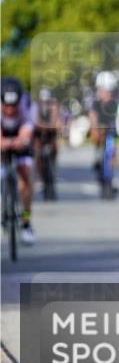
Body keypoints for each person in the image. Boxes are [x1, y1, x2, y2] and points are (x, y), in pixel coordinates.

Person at [1, 77, 37, 244]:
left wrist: (20, 141)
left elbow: (26, 134)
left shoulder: (27, 105)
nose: (9, 110)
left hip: (20, 136)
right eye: (5, 106)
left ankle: (26, 221)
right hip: (3, 134)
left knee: (26, 176)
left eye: (13, 106)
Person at [89, 71, 119, 187]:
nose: (101, 92)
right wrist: (95, 128)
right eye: (100, 90)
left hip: (113, 129)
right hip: (100, 128)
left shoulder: (116, 102)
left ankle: (113, 174)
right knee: (97, 134)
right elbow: (93, 115)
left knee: (113, 150)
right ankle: (98, 157)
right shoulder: (96, 103)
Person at [33, 88, 62, 194]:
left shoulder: (54, 105)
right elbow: (35, 121)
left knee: (55, 146)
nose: (45, 103)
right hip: (39, 133)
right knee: (37, 150)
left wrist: (54, 126)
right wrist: (42, 126)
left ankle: (53, 164)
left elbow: (56, 120)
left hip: (50, 132)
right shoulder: (36, 107)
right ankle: (40, 177)